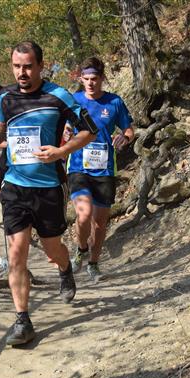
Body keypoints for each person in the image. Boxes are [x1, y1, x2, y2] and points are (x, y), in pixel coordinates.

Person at [0, 41, 97, 346]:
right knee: (16, 253)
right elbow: (0, 123)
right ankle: (22, 320)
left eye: (28, 67)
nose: (21, 73)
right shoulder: (6, 96)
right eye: (16, 66)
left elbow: (90, 130)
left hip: (48, 188)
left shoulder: (58, 96)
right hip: (15, 186)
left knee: (52, 248)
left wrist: (62, 151)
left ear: (41, 66)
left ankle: (65, 267)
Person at [67, 56, 134, 282]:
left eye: (94, 79)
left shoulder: (114, 102)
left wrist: (125, 138)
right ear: (81, 79)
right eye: (86, 79)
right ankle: (81, 249)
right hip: (78, 166)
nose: (90, 83)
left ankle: (93, 264)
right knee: (84, 214)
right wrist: (65, 132)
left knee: (99, 223)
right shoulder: (73, 100)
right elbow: (63, 126)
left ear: (102, 78)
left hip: (105, 169)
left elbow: (129, 129)